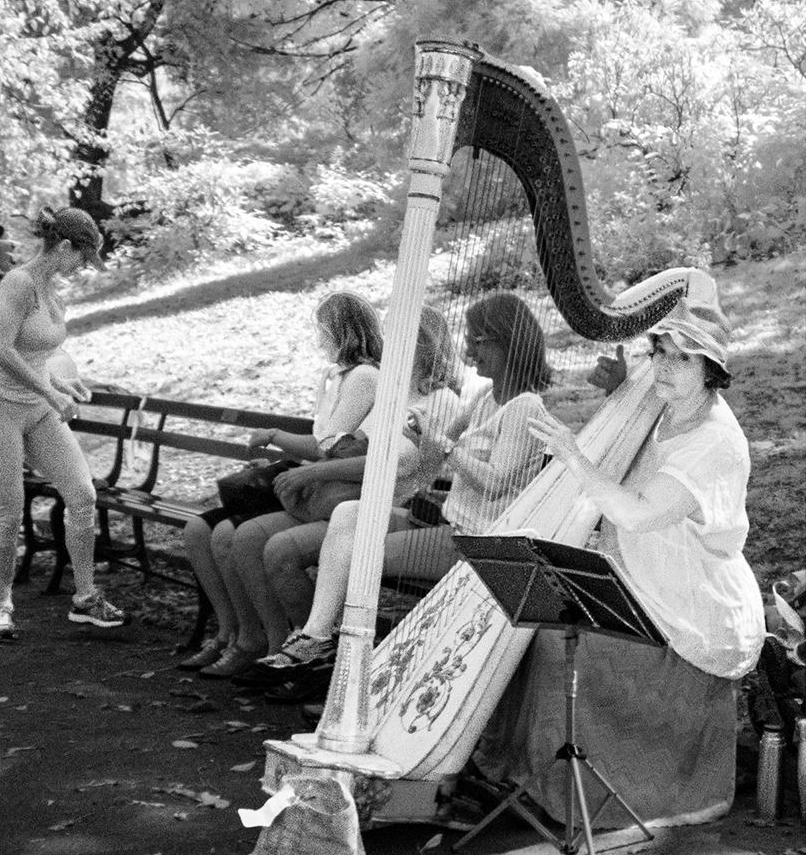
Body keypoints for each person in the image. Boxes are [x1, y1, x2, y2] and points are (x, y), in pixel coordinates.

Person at [470, 296, 766, 828]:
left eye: (683, 359)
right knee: (530, 620)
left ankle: (581, 794)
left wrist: (575, 459)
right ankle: (520, 773)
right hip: (641, 580)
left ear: (712, 371)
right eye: (660, 353)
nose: (665, 368)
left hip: (689, 606)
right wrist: (616, 389)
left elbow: (636, 514)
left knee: (557, 647)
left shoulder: (716, 443)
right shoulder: (662, 404)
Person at [248, 292, 553, 683]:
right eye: (470, 339)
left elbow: (493, 483)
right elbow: (436, 445)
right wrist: (419, 432)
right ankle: (317, 636)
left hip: (478, 542)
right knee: (349, 513)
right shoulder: (484, 397)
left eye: (479, 339)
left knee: (359, 554)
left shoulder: (525, 407)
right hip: (441, 525)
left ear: (508, 341)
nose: (470, 350)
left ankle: (367, 674)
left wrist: (436, 441)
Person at [214, 304, 478, 685]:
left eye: (401, 336)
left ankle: (324, 657)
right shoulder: (389, 393)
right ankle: (287, 647)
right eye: (389, 335)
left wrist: (319, 470)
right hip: (347, 499)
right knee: (248, 536)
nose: (389, 344)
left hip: (393, 508)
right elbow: (339, 444)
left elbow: (400, 465)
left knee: (281, 550)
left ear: (424, 344)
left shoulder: (442, 402)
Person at [180, 291, 384, 678]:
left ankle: (276, 646)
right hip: (311, 483)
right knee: (205, 529)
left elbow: (327, 448)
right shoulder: (340, 376)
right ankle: (239, 636)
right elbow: (327, 443)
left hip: (333, 492)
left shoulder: (365, 378)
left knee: (236, 536)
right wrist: (280, 455)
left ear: (341, 331)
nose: (318, 339)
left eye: (322, 330)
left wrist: (275, 435)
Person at [0, 205, 123, 642]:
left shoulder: (51, 290)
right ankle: (1, 606)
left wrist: (63, 383)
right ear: (63, 246)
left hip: (37, 409)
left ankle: (86, 597)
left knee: (81, 495)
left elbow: (33, 353)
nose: (81, 267)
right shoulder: (19, 283)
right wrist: (50, 392)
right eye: (81, 257)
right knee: (9, 512)